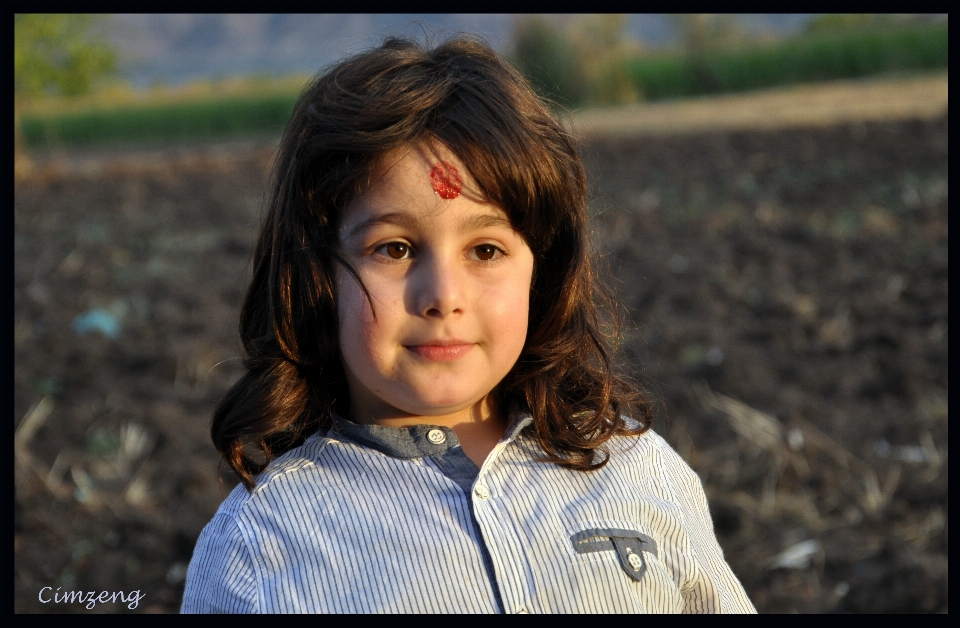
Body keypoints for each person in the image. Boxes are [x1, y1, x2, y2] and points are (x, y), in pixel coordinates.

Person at [181, 36, 755, 614]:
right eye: (395, 248)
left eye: (485, 251)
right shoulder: (259, 549)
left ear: (542, 269)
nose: (443, 298)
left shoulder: (637, 471)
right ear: (315, 276)